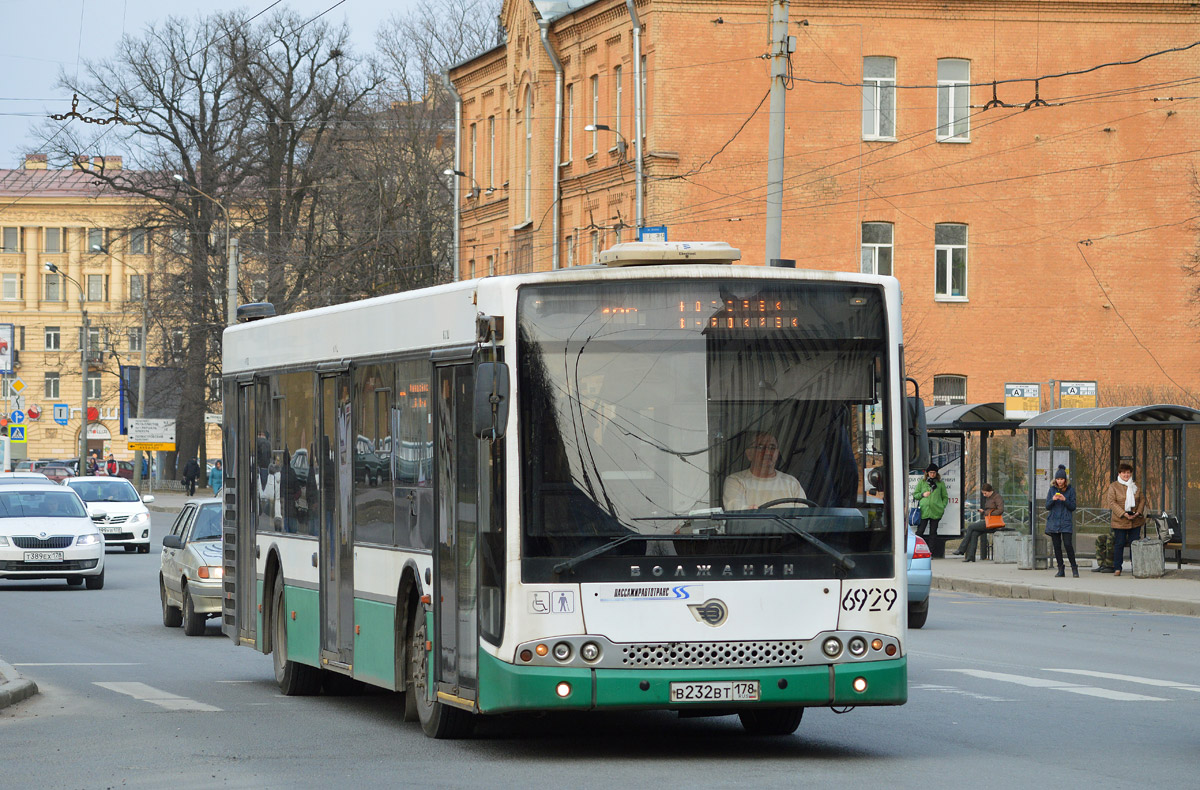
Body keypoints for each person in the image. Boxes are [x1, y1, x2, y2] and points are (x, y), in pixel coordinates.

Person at [722, 432, 807, 510]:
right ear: (749, 454)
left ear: (777, 453)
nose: (767, 452)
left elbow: (804, 518)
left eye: (772, 447)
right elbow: (736, 511)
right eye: (760, 447)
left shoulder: (791, 483)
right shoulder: (736, 481)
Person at [1105, 462, 1145, 576]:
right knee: (1119, 544)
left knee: (1135, 544)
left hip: (1135, 520)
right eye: (1123, 473)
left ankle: (1136, 567)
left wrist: (1138, 512)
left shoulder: (1136, 486)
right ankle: (1117, 567)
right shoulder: (1114, 486)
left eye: (1128, 472)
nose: (1126, 475)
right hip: (1120, 521)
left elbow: (1142, 500)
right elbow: (1111, 502)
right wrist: (1123, 514)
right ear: (1119, 473)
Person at [954, 483, 1005, 561]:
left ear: (990, 491)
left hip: (993, 523)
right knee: (974, 533)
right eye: (983, 493)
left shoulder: (997, 497)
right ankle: (970, 557)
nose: (984, 495)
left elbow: (1000, 510)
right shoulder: (990, 497)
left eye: (985, 493)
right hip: (989, 521)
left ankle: (961, 549)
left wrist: (987, 512)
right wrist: (984, 511)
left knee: (971, 527)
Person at [1045, 465, 1078, 577]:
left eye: (1062, 479)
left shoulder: (1070, 490)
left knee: (1068, 544)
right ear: (1055, 480)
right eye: (1058, 479)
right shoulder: (1052, 490)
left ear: (1065, 480)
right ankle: (1060, 568)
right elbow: (1047, 506)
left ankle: (1074, 567)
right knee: (1057, 546)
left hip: (1065, 521)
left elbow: (1073, 506)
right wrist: (1053, 499)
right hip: (1054, 522)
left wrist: (1065, 500)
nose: (1060, 481)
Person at [912, 463, 949, 551]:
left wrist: (942, 506)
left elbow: (945, 497)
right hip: (924, 511)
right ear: (927, 473)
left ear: (936, 473)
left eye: (934, 472)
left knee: (933, 532)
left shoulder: (940, 483)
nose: (932, 474)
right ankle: (916, 550)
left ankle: (931, 551)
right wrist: (922, 494)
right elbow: (915, 495)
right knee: (920, 531)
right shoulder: (922, 482)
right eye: (931, 472)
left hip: (936, 510)